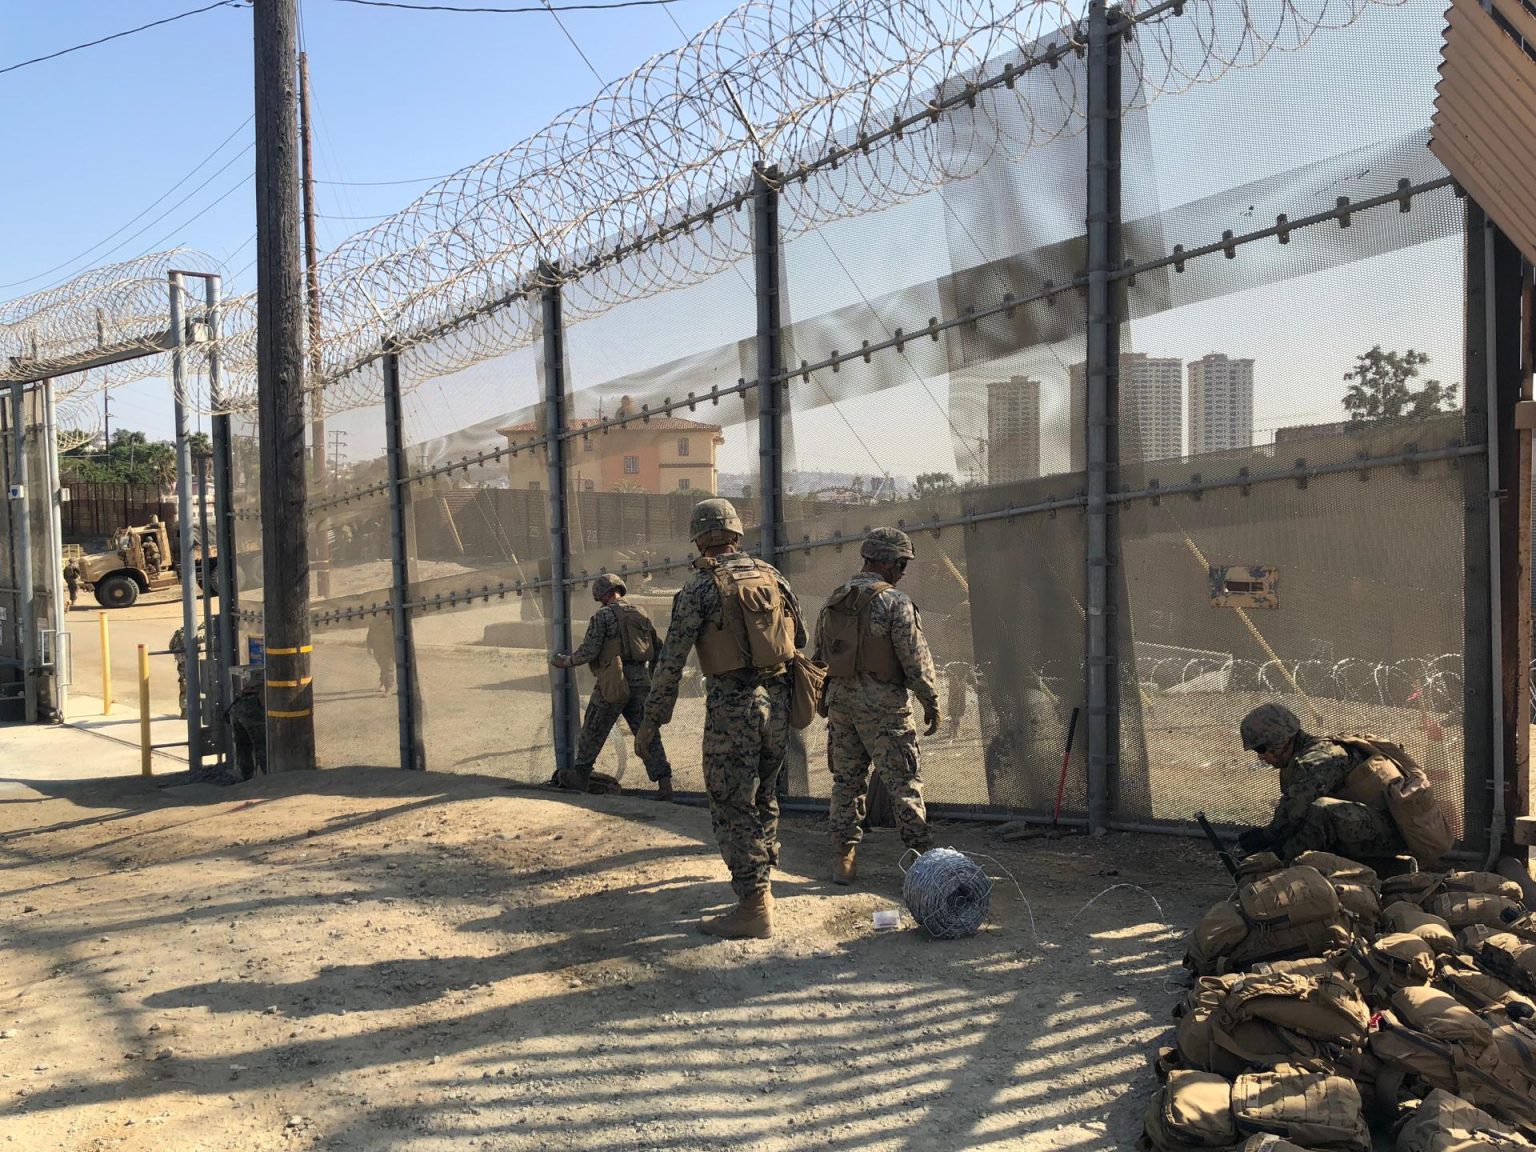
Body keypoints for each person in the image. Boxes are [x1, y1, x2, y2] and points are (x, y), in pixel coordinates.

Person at [634, 498, 805, 939]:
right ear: (735, 533)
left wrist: (651, 722)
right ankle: (762, 885)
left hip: (734, 705)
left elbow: (671, 660)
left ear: (700, 537)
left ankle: (752, 908)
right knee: (764, 794)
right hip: (779, 702)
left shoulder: (699, 587)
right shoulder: (772, 575)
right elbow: (799, 636)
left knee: (732, 803)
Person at [814, 528, 940, 885]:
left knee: (846, 783)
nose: (902, 571)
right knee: (904, 781)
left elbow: (821, 656)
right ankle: (922, 860)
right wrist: (930, 699)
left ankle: (844, 858)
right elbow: (915, 658)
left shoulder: (834, 599)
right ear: (885, 562)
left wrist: (825, 698)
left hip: (841, 704)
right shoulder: (895, 602)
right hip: (884, 707)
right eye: (901, 563)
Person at [549, 573, 673, 800]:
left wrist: (564, 661)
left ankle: (581, 777)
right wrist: (653, 679)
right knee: (647, 734)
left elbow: (589, 651)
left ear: (602, 595)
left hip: (612, 682)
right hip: (640, 683)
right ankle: (664, 785)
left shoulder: (603, 616)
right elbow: (657, 647)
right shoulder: (640, 613)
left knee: (593, 730)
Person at [1235, 702, 1407, 862]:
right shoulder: (1302, 758)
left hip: (1389, 838)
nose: (1261, 757)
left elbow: (1295, 810)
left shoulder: (1318, 760)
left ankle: (1286, 863)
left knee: (1322, 810)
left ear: (1280, 741)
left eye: (1261, 748)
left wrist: (1272, 846)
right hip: (1365, 829)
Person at [225, 669, 267, 780]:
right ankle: (265, 774)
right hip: (251, 709)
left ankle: (247, 775)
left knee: (244, 745)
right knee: (261, 745)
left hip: (239, 707)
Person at [169, 623, 204, 719]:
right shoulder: (184, 636)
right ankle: (186, 712)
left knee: (186, 686)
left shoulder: (179, 634)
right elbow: (192, 642)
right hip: (186, 664)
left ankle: (187, 711)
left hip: (184, 664)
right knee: (187, 687)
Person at [366, 613, 395, 696]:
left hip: (388, 649)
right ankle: (383, 682)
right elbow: (370, 634)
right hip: (377, 649)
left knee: (388, 668)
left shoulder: (391, 621)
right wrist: (369, 647)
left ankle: (389, 688)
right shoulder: (374, 621)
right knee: (382, 667)